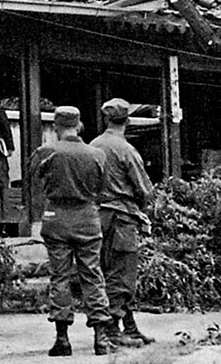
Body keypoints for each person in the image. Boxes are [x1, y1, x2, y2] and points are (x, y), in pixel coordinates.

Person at [29, 106, 116, 357]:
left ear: (56, 126)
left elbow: (35, 177)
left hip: (56, 217)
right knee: (92, 274)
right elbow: (103, 187)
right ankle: (101, 338)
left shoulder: (46, 151)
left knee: (60, 276)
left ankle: (62, 338)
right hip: (87, 217)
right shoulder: (97, 154)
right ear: (78, 126)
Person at [90, 98, 155, 347]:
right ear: (127, 121)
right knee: (123, 274)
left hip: (98, 217)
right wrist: (143, 209)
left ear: (107, 119)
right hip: (122, 217)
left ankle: (129, 325)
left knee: (106, 270)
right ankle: (113, 330)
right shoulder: (126, 149)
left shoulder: (94, 145)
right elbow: (144, 189)